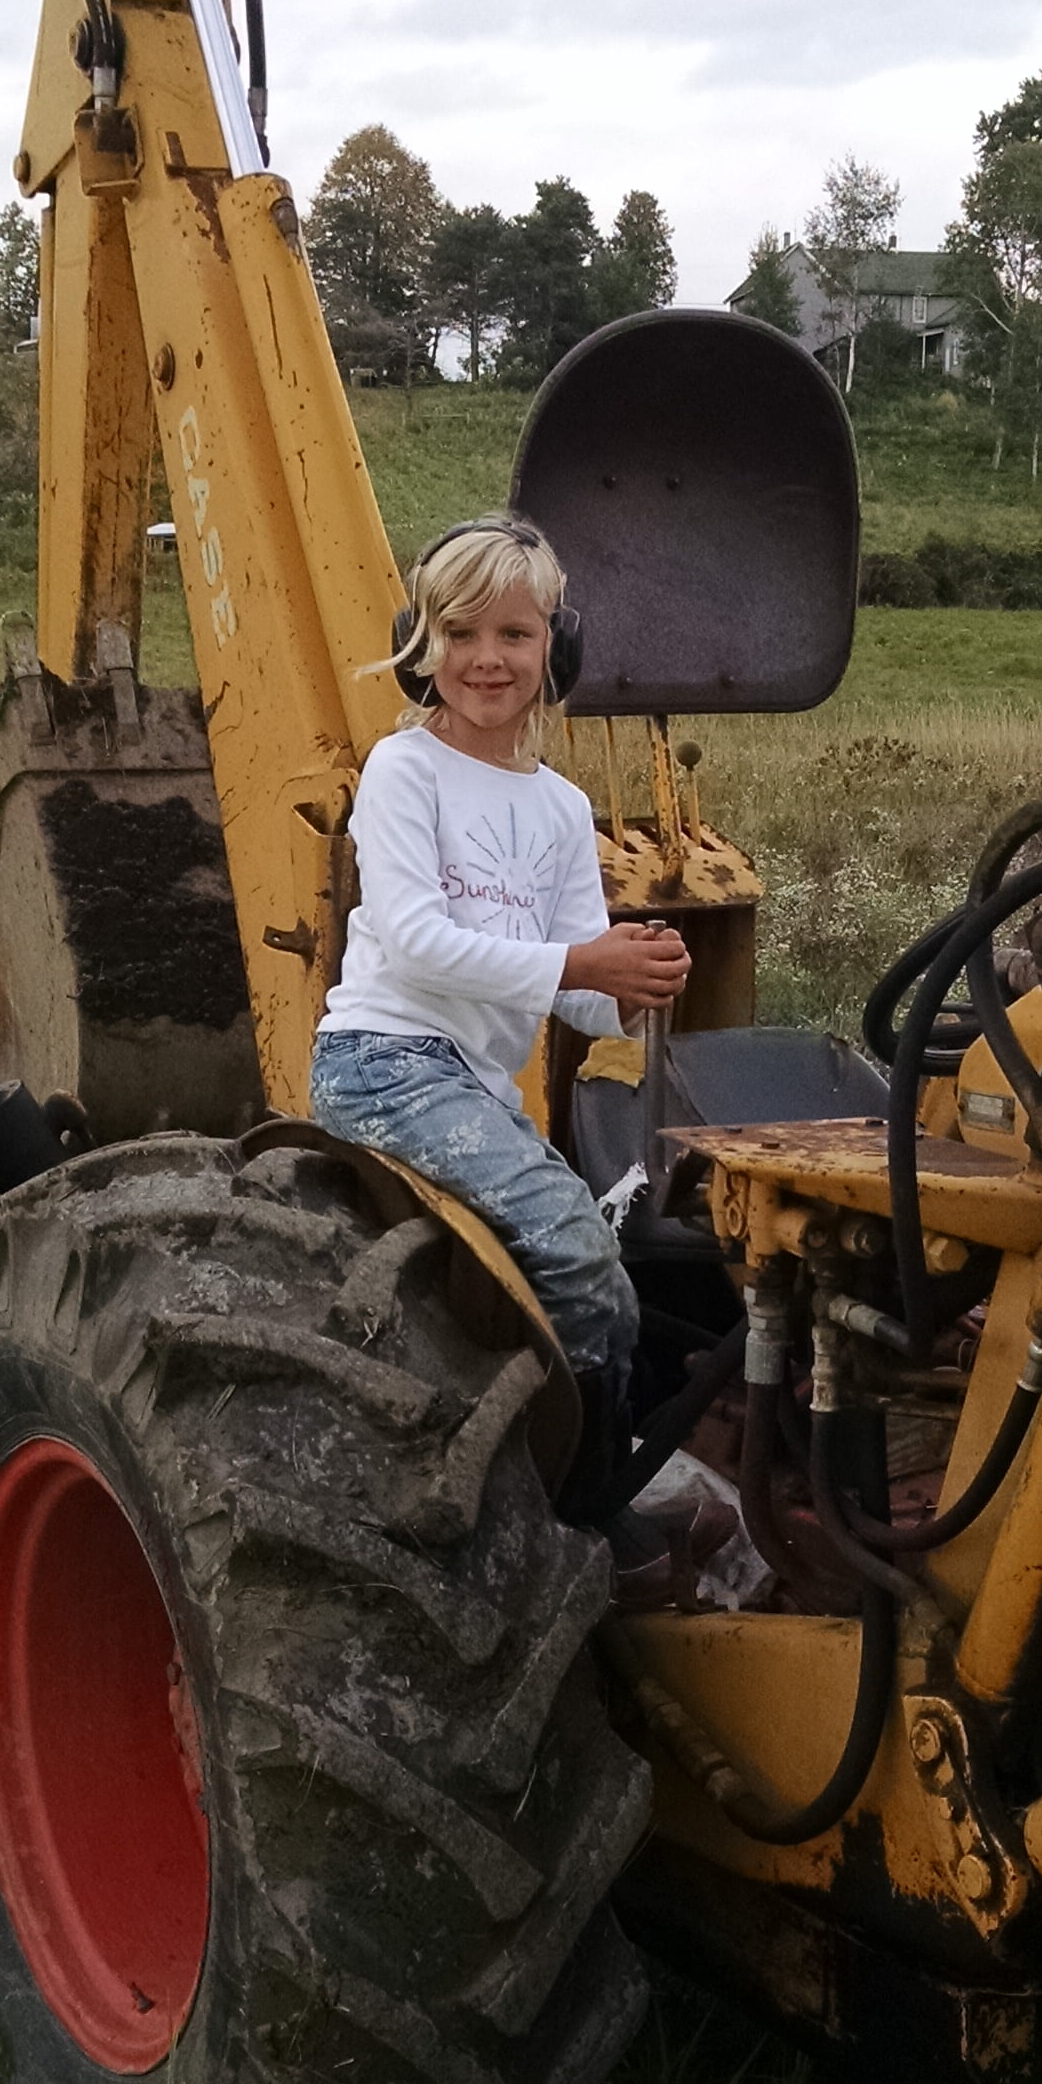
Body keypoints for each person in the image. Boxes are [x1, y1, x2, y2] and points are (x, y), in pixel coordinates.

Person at [308, 517, 690, 1487]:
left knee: (640, 1257)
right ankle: (590, 1504)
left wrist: (636, 989)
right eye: (460, 633)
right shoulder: (404, 772)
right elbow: (417, 945)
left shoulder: (559, 808)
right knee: (578, 1256)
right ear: (421, 643)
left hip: (472, 1087)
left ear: (552, 648)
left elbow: (582, 1002)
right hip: (382, 1066)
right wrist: (581, 967)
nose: (486, 659)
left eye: (513, 635)